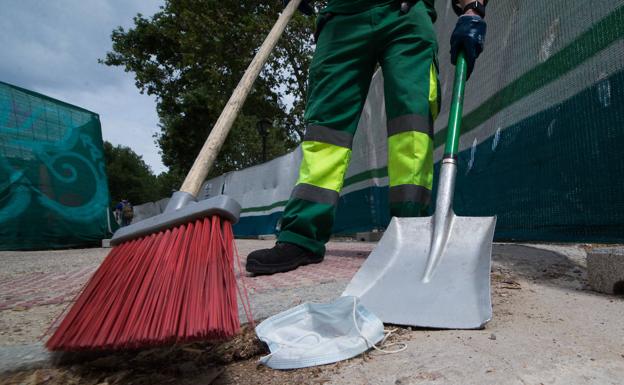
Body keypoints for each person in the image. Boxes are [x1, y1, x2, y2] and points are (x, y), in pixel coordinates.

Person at [246, 0, 487, 274]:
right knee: (326, 133)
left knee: (411, 125)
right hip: (341, 18)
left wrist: (472, 7)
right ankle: (301, 237)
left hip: (404, 14)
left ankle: (409, 232)